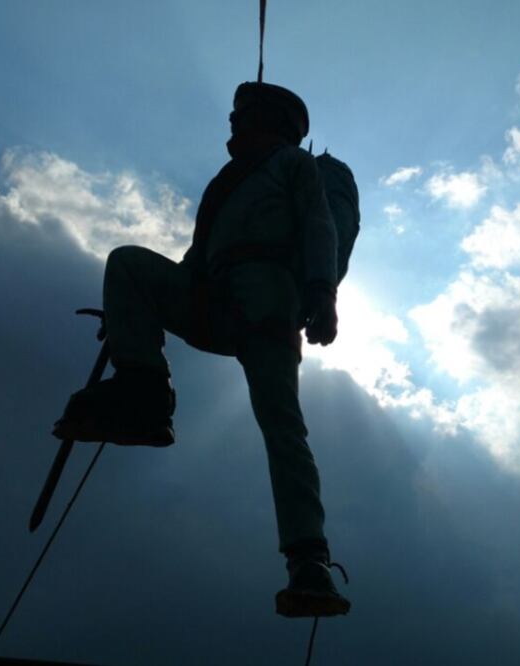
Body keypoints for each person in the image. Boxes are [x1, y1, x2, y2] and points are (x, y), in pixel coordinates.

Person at [52, 81, 351, 618]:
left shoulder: (292, 167)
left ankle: (309, 559)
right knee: (127, 264)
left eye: (243, 116)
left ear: (270, 122)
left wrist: (322, 294)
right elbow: (196, 260)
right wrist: (132, 316)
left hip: (267, 302)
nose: (232, 125)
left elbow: (319, 227)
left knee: (282, 425)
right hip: (213, 298)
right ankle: (143, 396)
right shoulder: (227, 183)